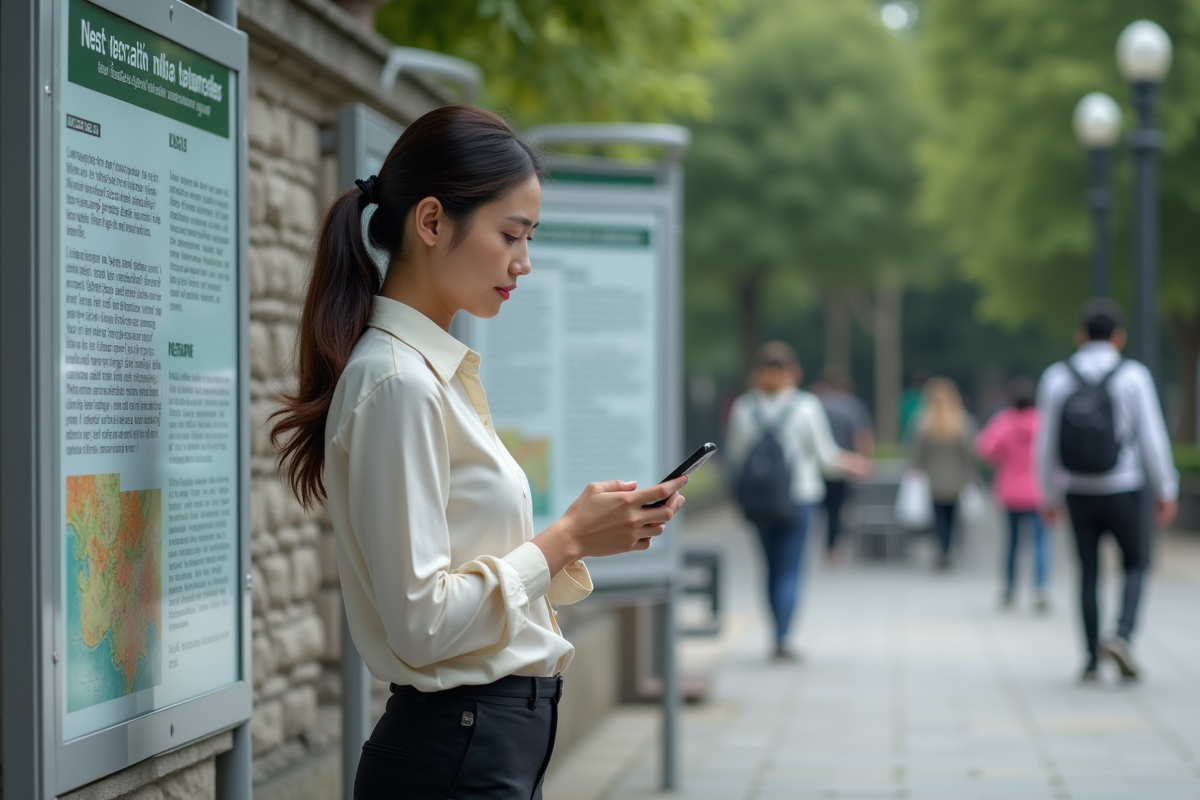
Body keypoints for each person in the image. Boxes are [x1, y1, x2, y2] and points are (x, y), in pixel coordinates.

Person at [268, 106, 688, 800]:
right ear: (431, 223)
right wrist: (560, 540)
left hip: (481, 744)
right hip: (457, 750)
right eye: (511, 235)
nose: (523, 262)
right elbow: (423, 623)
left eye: (529, 238)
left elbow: (462, 580)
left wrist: (583, 540)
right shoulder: (398, 382)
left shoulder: (431, 376)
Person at [1036, 299, 1178, 682]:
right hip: (1123, 487)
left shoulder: (1056, 377)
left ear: (1080, 336)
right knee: (1136, 562)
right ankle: (1123, 634)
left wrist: (1047, 495)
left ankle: (1090, 657)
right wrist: (1166, 488)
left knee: (1087, 572)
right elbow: (1153, 439)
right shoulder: (1133, 376)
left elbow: (1045, 443)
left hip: (1076, 489)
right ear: (1119, 337)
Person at [726, 342, 871, 660]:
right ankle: (783, 637)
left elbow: (736, 456)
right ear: (792, 370)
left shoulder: (744, 407)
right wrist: (853, 463)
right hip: (799, 497)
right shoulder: (805, 406)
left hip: (760, 500)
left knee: (770, 568)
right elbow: (826, 457)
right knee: (790, 569)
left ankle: (773, 632)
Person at [976, 377, 1048, 611]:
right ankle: (1040, 589)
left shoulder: (1004, 422)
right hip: (1039, 492)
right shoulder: (1043, 422)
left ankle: (1009, 589)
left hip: (1011, 492)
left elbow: (984, 449)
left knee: (1012, 543)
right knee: (1040, 542)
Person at [910, 377, 977, 570]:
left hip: (933, 479)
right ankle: (949, 550)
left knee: (938, 517)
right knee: (953, 516)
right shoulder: (962, 422)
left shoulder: (923, 423)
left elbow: (917, 454)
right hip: (957, 478)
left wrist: (916, 469)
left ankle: (941, 550)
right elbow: (969, 454)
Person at [811, 366, 875, 563]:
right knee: (836, 509)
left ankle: (818, 544)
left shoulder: (814, 405)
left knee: (818, 508)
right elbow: (862, 437)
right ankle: (833, 547)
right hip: (844, 465)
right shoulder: (852, 406)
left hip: (817, 467)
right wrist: (864, 461)